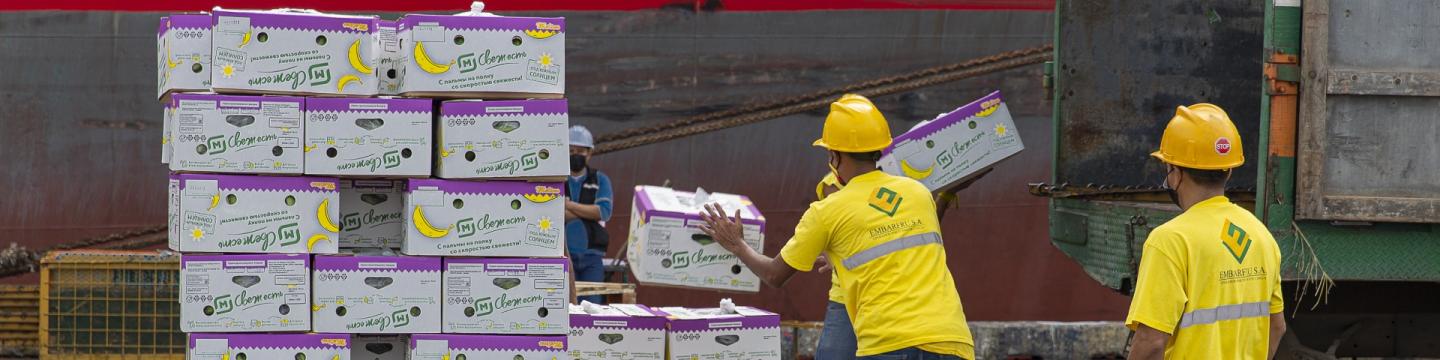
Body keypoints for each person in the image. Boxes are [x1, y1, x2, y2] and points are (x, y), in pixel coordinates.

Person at [700, 94, 975, 359]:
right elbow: (911, 238)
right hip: (952, 340)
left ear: (834, 156)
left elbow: (775, 275)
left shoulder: (827, 211)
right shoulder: (918, 193)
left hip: (890, 344)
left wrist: (736, 244)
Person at [1126, 104, 1285, 359]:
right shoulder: (1260, 234)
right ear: (1230, 170)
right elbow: (1276, 327)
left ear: (1175, 173)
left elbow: (1151, 342)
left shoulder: (1170, 241)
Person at [811, 166, 988, 360]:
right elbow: (834, 225)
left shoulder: (907, 181)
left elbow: (920, 229)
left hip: (899, 293)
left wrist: (945, 197)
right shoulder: (837, 180)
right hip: (853, 294)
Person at [564, 125, 614, 305]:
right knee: (564, 307)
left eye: (580, 151)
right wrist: (587, 211)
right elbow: (553, 214)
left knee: (592, 307)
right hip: (561, 257)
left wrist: (569, 205)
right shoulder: (555, 180)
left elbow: (603, 212)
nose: (575, 154)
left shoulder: (600, 180)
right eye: (571, 150)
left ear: (590, 153)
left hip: (592, 257)